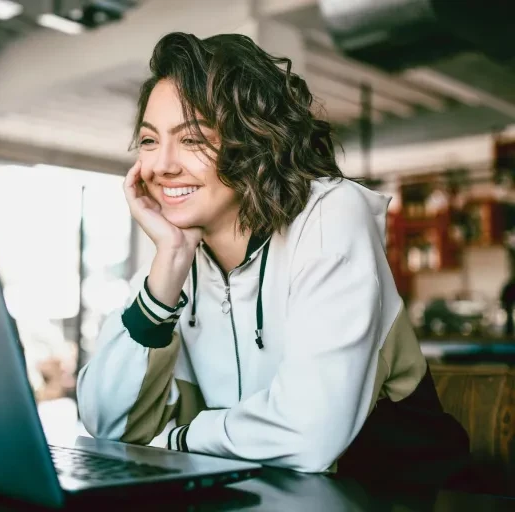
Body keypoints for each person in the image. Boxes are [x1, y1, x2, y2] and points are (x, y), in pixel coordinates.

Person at [76, 32, 470, 485]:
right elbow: (107, 424)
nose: (162, 165)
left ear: (253, 140)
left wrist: (175, 440)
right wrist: (167, 267)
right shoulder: (179, 251)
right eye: (149, 140)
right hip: (261, 492)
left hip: (397, 494)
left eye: (192, 139)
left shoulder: (330, 215)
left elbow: (309, 435)